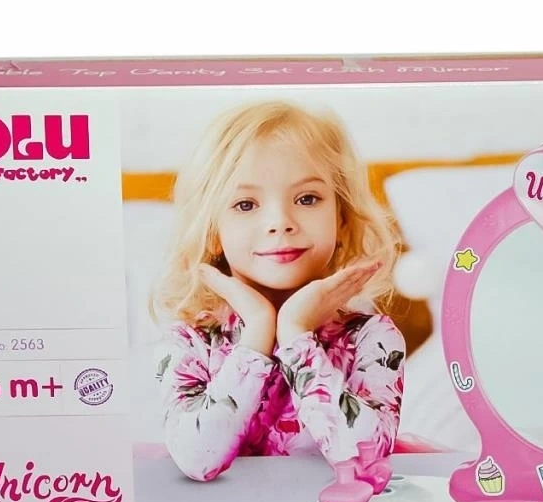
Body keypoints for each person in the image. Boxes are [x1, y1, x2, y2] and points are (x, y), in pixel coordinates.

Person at [150, 100, 405, 481]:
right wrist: (258, 331)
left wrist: (296, 334)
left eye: (307, 199)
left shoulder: (372, 338)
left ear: (342, 218)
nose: (280, 222)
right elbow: (196, 459)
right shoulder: (190, 343)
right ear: (213, 232)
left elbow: (360, 459)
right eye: (246, 204)